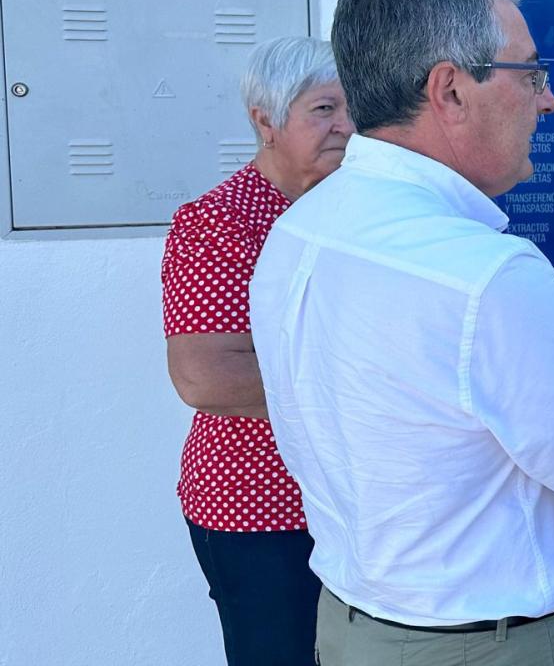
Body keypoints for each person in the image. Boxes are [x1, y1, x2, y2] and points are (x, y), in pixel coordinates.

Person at [250, 0, 554, 666]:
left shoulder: (303, 227)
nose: (546, 103)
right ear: (449, 89)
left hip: (350, 627)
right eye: (531, 75)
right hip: (486, 645)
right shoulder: (486, 277)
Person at [162, 36, 351, 665]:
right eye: (324, 109)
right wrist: (363, 392)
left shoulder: (354, 212)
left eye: (354, 109)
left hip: (348, 498)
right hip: (259, 505)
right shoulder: (220, 222)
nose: (346, 127)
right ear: (264, 120)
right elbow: (206, 376)